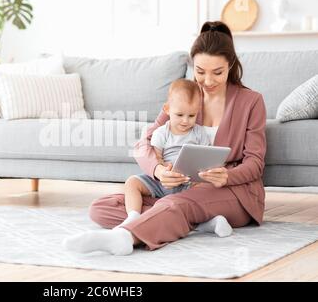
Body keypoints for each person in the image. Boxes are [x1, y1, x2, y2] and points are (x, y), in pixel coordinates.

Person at [63, 21, 267, 256]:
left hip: (234, 193)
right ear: (192, 66)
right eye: (200, 72)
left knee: (175, 204)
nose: (208, 81)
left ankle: (125, 236)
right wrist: (159, 171)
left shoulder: (251, 101)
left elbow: (255, 163)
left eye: (217, 73)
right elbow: (143, 144)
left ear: (230, 65)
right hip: (180, 190)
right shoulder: (186, 98)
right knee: (102, 207)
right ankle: (199, 224)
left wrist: (227, 176)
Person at [115, 78, 232, 238]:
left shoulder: (199, 133)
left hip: (188, 185)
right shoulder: (162, 132)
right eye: (179, 115)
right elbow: (156, 157)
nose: (185, 121)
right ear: (167, 109)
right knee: (132, 183)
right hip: (162, 182)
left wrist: (202, 176)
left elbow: (205, 158)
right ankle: (133, 217)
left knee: (207, 191)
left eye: (191, 115)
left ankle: (207, 223)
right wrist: (163, 170)